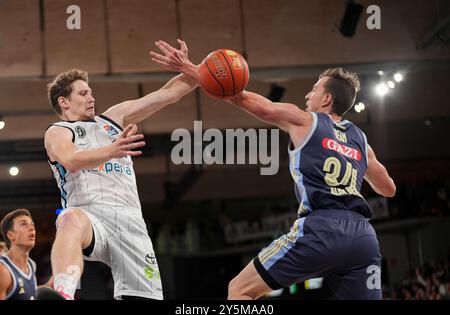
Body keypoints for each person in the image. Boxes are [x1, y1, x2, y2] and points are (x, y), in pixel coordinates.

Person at [150, 40, 396, 299]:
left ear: (326, 99)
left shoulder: (304, 120)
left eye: (313, 90)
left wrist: (192, 69)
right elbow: (388, 188)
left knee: (239, 290)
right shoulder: (361, 140)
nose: (306, 96)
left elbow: (243, 98)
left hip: (321, 229)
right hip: (363, 238)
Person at [44, 40, 198, 300]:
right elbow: (71, 160)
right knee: (69, 219)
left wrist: (190, 68)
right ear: (64, 102)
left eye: (91, 92)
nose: (91, 97)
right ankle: (63, 293)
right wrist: (112, 150)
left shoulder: (114, 117)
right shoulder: (58, 132)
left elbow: (170, 94)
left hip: (130, 221)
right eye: (83, 93)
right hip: (90, 216)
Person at [0, 209, 52, 300]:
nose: (31, 228)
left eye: (32, 224)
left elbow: (24, 292)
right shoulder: (3, 270)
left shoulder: (31, 264)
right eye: (23, 224)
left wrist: (48, 285)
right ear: (11, 235)